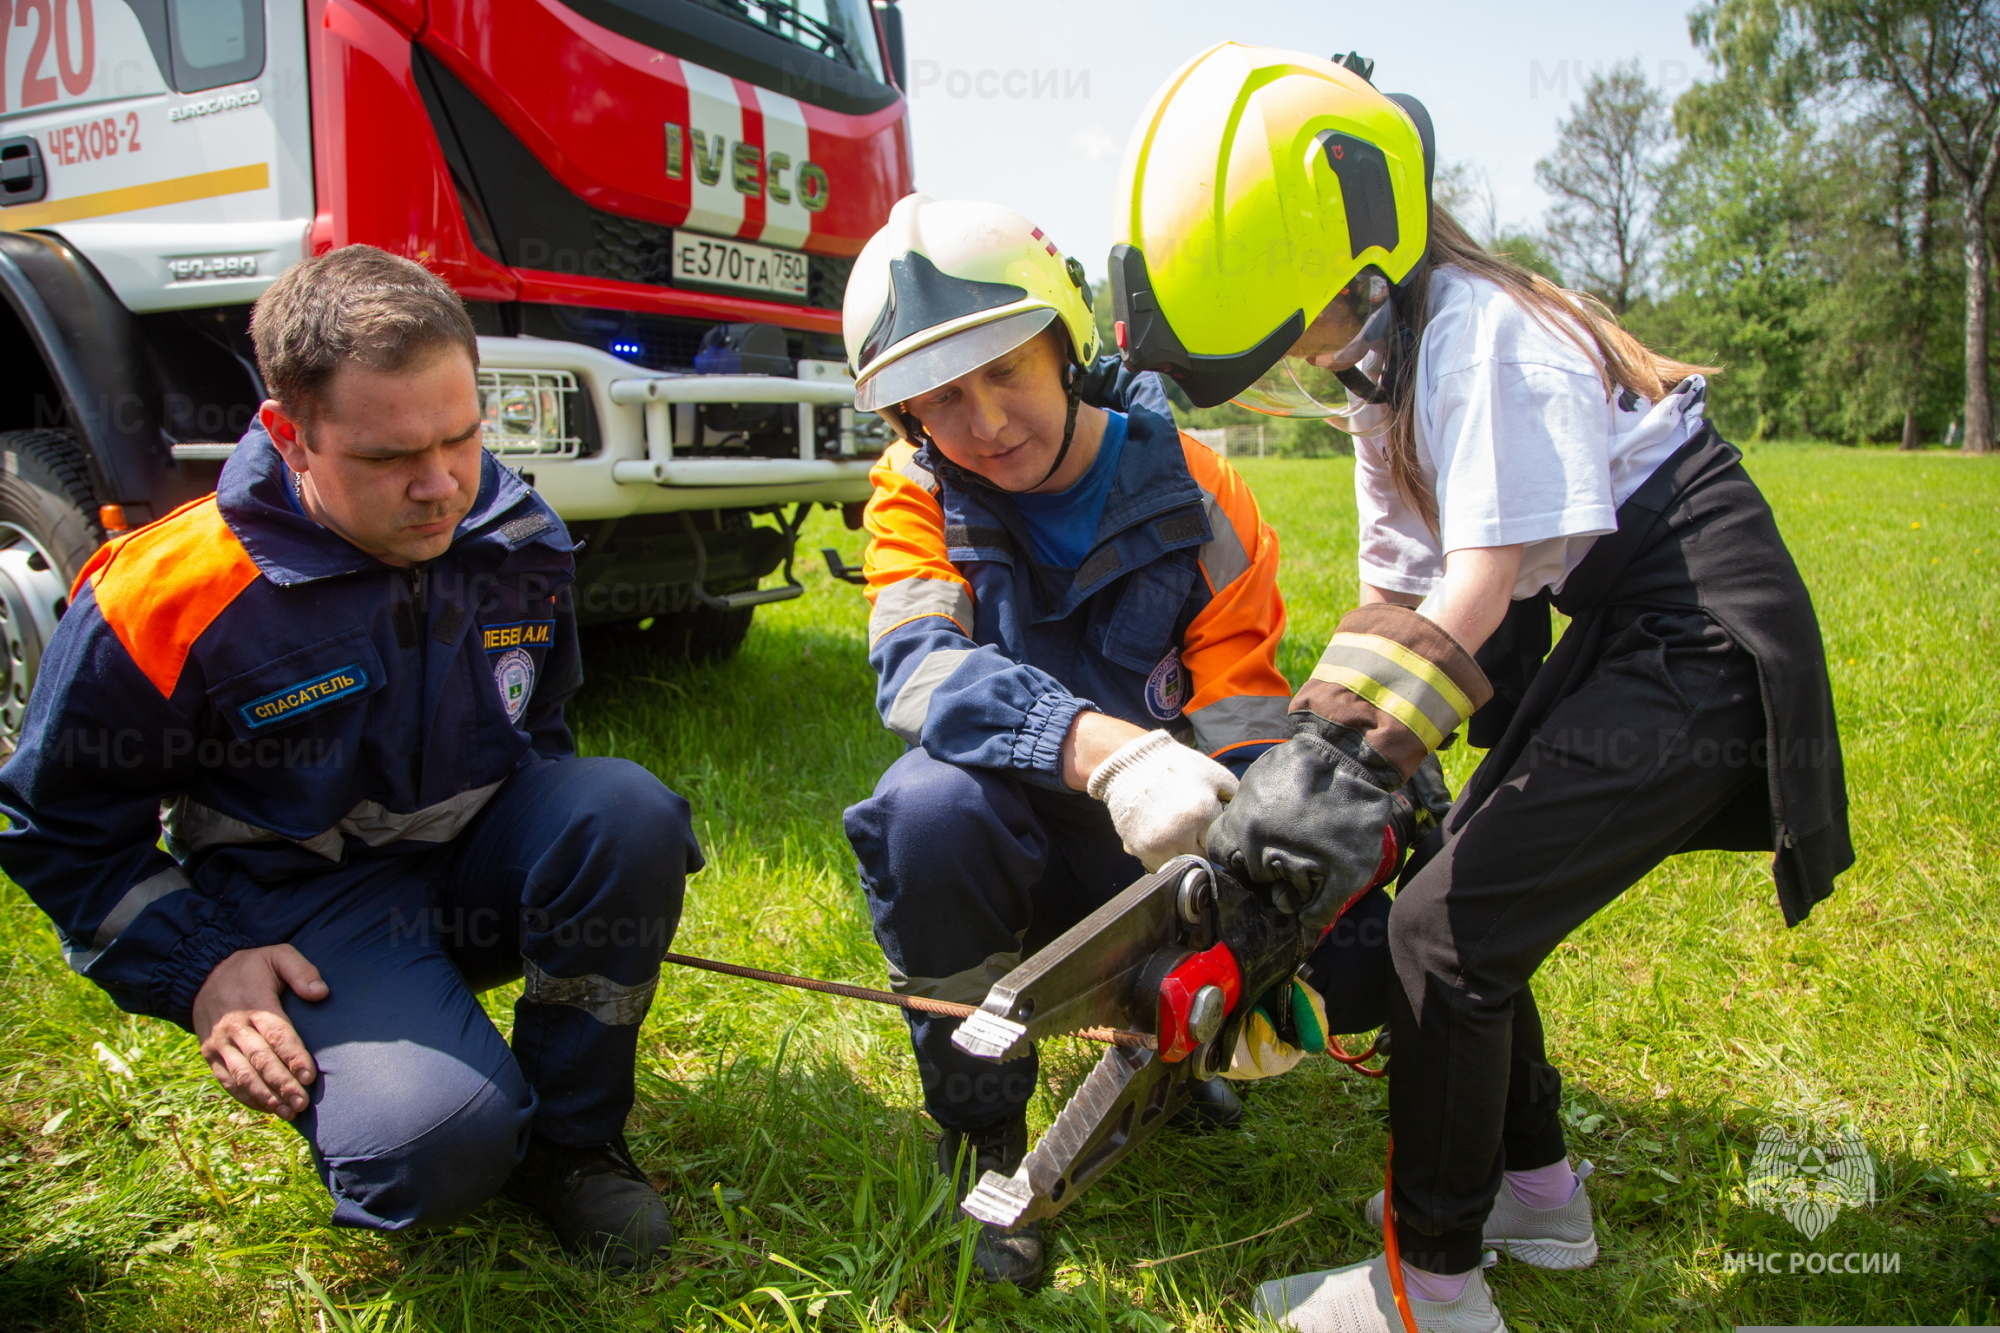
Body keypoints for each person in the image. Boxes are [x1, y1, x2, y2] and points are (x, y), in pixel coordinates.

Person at [1110, 44, 1852, 1333]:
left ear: (1364, 271)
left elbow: (1477, 588)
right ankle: (1535, 1195)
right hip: (1607, 625)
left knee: (1440, 935)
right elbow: (1399, 591)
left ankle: (1430, 1288)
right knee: (1457, 888)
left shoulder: (1483, 339)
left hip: (1696, 647)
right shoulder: (1385, 370)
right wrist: (1306, 755)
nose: (1310, 360)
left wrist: (1341, 768)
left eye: (1311, 328)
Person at [0, 246, 702, 1270]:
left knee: (622, 814)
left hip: (464, 873)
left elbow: (540, 738)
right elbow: (54, 823)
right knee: (431, 1153)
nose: (440, 487)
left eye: (462, 437)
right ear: (291, 434)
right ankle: (422, 1081)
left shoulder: (513, 532)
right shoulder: (165, 593)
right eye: (385, 459)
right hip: (304, 916)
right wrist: (200, 964)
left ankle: (574, 1140)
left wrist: (580, 900)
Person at [837, 195, 1297, 1289]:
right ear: (904, 418)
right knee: (921, 813)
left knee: (1236, 861)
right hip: (1000, 829)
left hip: (1153, 845)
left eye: (1005, 372)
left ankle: (1162, 1062)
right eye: (940, 399)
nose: (985, 420)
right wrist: (1102, 751)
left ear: (1063, 346)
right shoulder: (912, 493)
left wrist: (1244, 858)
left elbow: (1240, 711)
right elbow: (919, 668)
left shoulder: (1195, 485)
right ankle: (986, 1130)